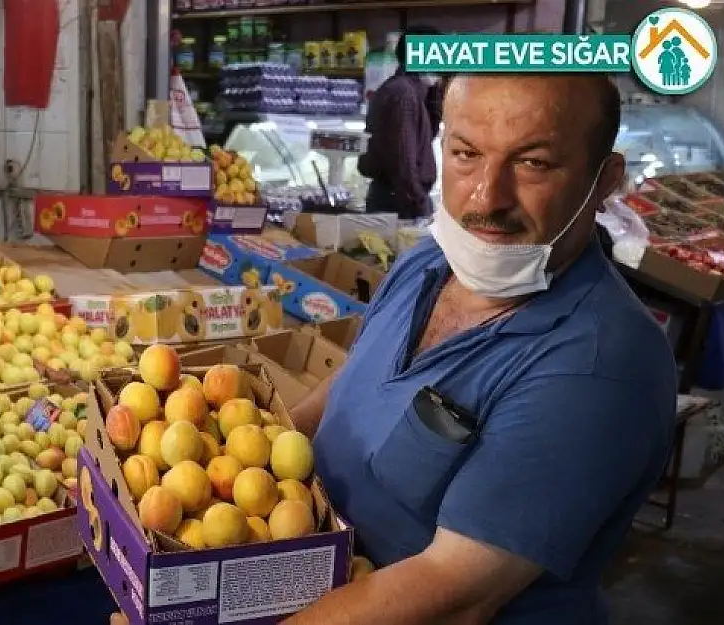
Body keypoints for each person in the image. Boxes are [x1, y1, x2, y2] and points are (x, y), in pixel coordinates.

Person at [284, 75, 677, 624]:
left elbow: (454, 595)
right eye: (466, 154)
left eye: (533, 163)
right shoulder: (426, 264)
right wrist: (253, 442)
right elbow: (357, 379)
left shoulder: (600, 365)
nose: (486, 196)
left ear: (604, 177)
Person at [358, 26, 442, 219]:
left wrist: (434, 93)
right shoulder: (403, 95)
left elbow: (427, 137)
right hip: (399, 202)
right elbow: (404, 162)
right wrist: (420, 207)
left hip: (401, 198)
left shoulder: (415, 91)